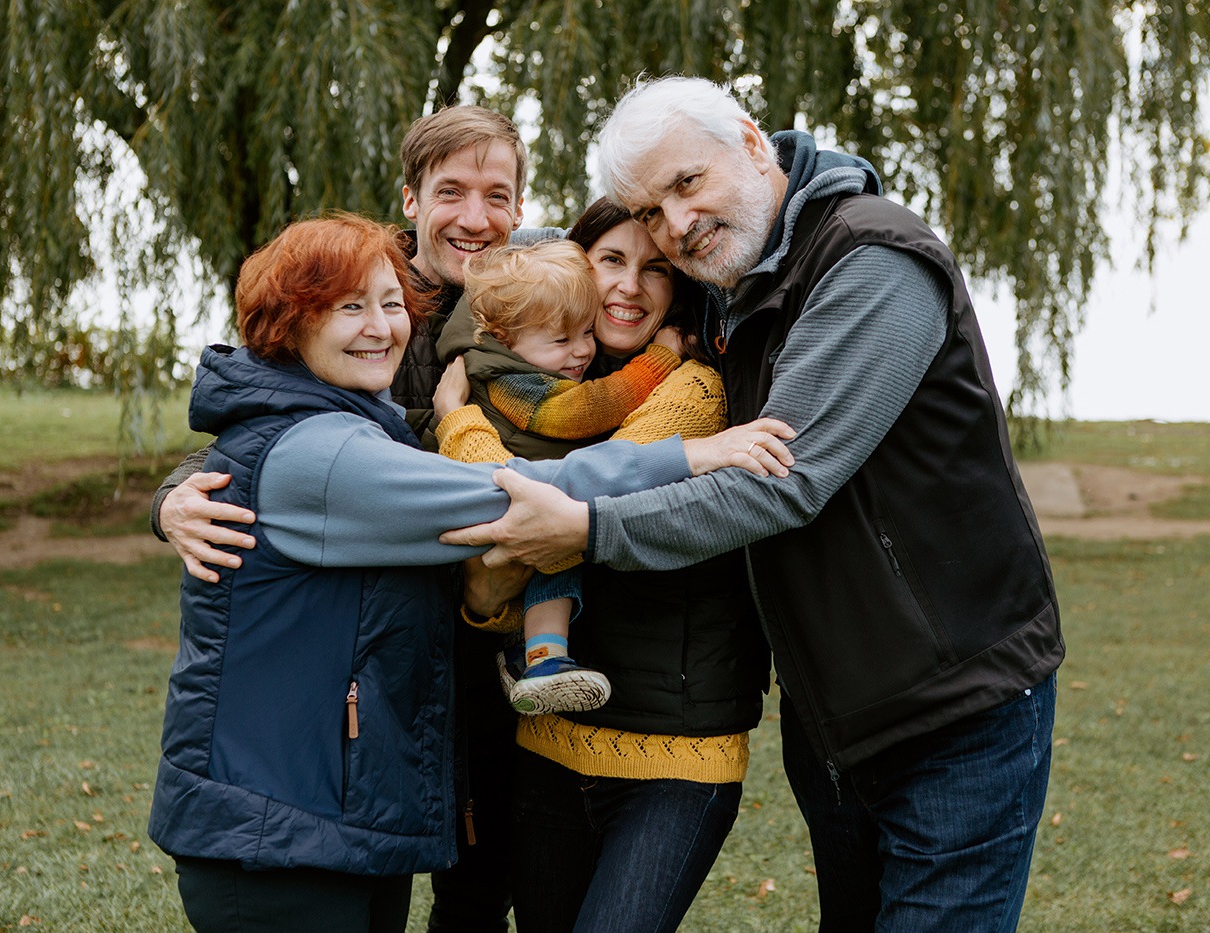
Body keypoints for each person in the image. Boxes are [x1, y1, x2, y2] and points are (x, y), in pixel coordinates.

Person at [441, 77, 1065, 932]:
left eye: (686, 184)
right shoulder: (729, 283)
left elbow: (787, 479)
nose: (675, 223)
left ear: (750, 139)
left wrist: (585, 525)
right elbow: (513, 276)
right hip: (834, 715)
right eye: (650, 212)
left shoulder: (870, 257)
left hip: (952, 698)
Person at [147, 211, 794, 932]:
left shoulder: (355, 422)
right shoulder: (326, 449)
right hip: (277, 829)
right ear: (289, 323)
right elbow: (510, 491)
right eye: (349, 308)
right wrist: (690, 455)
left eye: (392, 305)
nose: (381, 327)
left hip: (326, 821)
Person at [152, 105, 532, 933]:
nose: (476, 217)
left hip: (500, 641)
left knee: (480, 878)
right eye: (452, 191)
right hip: (384, 648)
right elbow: (263, 418)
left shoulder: (546, 300)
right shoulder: (362, 303)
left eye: (498, 195)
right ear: (411, 199)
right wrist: (173, 497)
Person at [434, 197, 774, 932]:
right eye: (611, 260)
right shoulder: (533, 379)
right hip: (549, 744)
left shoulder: (691, 387)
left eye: (656, 269)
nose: (628, 286)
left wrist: (458, 423)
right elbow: (500, 532)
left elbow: (570, 488)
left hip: (675, 749)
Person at [446, 237, 690, 715]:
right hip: (507, 503)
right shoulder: (507, 380)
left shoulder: (530, 359)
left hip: (530, 504)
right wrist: (659, 360)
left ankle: (540, 658)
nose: (581, 350)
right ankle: (542, 655)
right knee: (558, 560)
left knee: (556, 565)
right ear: (504, 336)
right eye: (562, 340)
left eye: (584, 332)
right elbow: (578, 413)